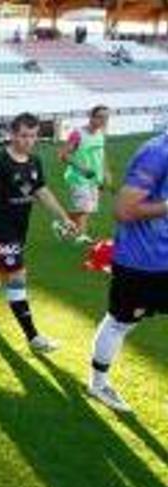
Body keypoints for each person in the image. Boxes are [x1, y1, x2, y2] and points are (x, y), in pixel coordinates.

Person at [0, 113, 78, 353]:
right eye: (23, 135)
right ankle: (33, 338)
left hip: (19, 228)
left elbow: (42, 191)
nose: (28, 140)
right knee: (17, 276)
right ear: (12, 134)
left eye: (32, 135)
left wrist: (64, 217)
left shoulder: (35, 161)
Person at [86, 132, 168, 412]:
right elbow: (124, 210)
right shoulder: (156, 153)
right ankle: (98, 384)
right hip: (142, 262)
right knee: (121, 322)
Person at [56, 105, 111, 243]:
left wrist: (106, 172)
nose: (103, 120)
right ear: (91, 117)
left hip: (94, 178)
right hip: (78, 177)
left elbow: (101, 155)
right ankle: (82, 236)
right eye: (100, 117)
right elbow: (63, 155)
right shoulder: (78, 134)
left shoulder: (101, 133)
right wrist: (81, 168)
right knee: (85, 208)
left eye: (106, 117)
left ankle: (63, 225)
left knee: (87, 208)